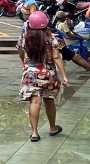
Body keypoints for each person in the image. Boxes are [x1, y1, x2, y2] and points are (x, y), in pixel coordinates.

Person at [20, 11, 68, 140]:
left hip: (31, 74)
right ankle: (52, 128)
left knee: (35, 102)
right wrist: (64, 76)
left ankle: (34, 133)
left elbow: (22, 53)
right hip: (49, 74)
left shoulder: (25, 37)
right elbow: (57, 57)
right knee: (49, 101)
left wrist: (26, 67)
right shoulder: (51, 38)